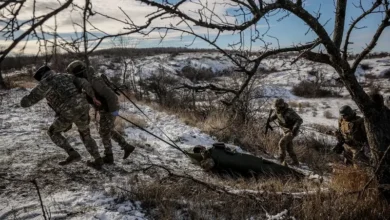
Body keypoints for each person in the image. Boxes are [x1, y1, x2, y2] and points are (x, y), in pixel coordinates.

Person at [20, 65, 104, 168]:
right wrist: (93, 96)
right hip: (83, 106)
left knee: (53, 132)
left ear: (40, 78)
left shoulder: (43, 85)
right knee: (85, 134)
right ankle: (98, 159)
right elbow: (83, 82)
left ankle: (73, 154)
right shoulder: (65, 76)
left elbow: (25, 103)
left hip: (68, 111)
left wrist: (27, 95)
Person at [66, 60, 135, 164]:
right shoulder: (88, 80)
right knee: (107, 130)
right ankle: (126, 146)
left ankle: (109, 157)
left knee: (104, 132)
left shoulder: (94, 80)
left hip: (109, 108)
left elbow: (111, 96)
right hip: (105, 108)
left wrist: (113, 111)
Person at [269, 98, 302, 166]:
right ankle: (295, 162)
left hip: (292, 131)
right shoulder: (278, 111)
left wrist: (295, 127)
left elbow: (299, 120)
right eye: (276, 106)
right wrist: (270, 119)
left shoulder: (289, 112)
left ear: (281, 105)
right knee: (289, 147)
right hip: (285, 131)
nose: (276, 107)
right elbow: (276, 116)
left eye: (277, 106)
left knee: (282, 142)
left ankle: (281, 159)